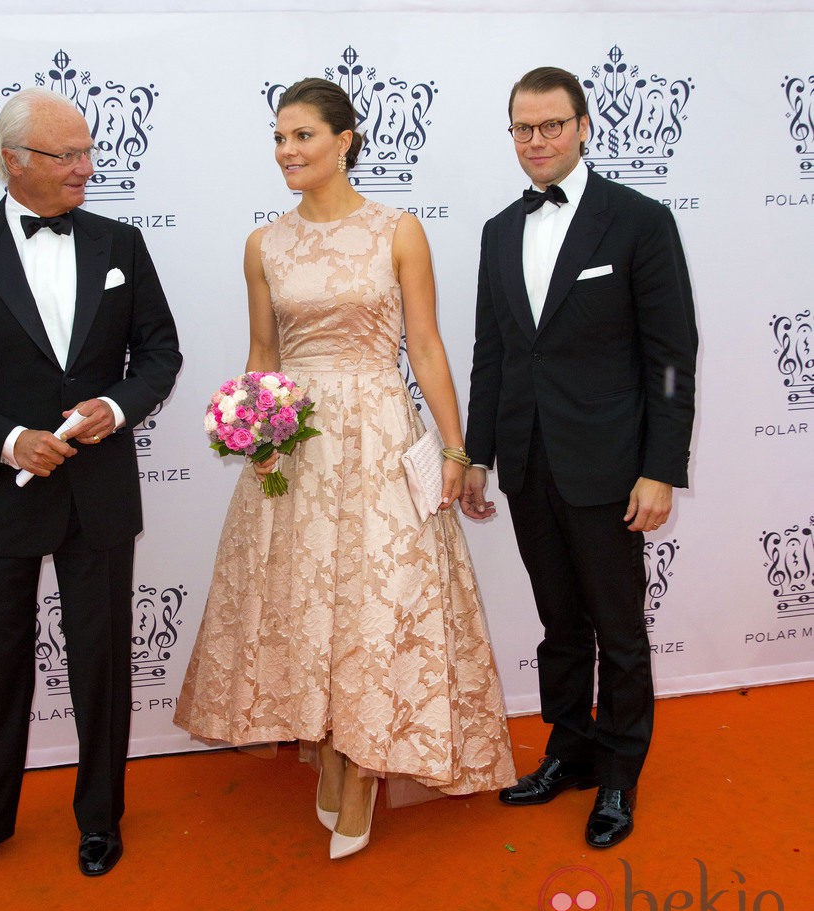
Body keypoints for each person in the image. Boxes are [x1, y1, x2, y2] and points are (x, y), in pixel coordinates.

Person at [174, 77, 514, 860]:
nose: (287, 151)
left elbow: (424, 346)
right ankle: (329, 751)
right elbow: (265, 353)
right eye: (280, 137)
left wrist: (457, 450)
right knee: (307, 603)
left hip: (380, 434)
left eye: (303, 136)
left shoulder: (398, 230)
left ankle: (363, 770)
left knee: (377, 602)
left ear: (345, 139)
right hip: (297, 444)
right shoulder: (264, 243)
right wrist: (255, 437)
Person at [0, 87, 181, 893]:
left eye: (88, 151)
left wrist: (117, 405)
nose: (86, 168)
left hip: (97, 492)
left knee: (102, 662)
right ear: (13, 160)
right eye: (67, 155)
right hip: (0, 494)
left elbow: (159, 353)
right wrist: (6, 438)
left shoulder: (121, 242)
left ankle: (100, 818)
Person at [461, 66, 697, 848]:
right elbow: (491, 353)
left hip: (608, 466)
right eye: (523, 128)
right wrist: (476, 453)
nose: (537, 141)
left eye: (551, 125)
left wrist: (661, 466)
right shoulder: (499, 229)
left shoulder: (637, 220)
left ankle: (621, 776)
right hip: (528, 462)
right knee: (559, 624)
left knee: (618, 629)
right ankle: (571, 751)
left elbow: (670, 354)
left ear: (585, 125)